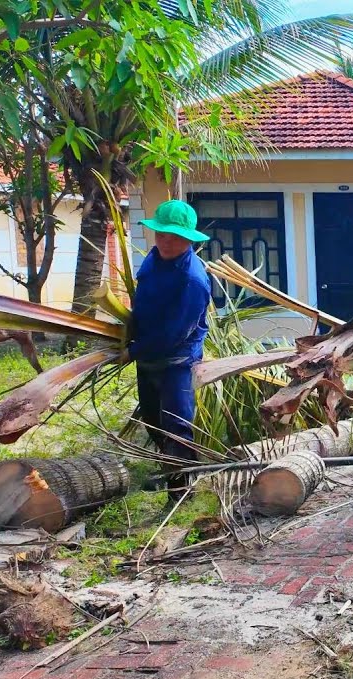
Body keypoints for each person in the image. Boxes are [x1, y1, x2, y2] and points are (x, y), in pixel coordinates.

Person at [127, 199, 212, 503]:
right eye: (161, 234)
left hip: (175, 360)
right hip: (146, 355)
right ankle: (169, 472)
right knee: (152, 421)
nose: (165, 241)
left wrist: (134, 349)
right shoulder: (153, 260)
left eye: (174, 236)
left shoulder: (193, 281)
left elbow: (174, 333)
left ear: (189, 239)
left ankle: (181, 493)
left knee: (176, 427)